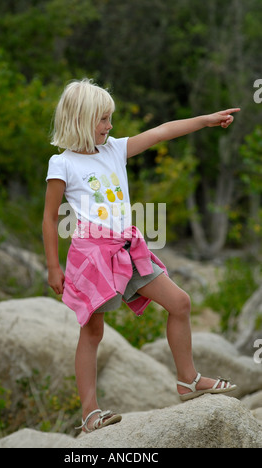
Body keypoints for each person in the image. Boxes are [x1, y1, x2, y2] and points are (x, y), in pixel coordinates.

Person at [42, 79, 240, 433]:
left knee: (179, 302)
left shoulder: (114, 149)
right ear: (82, 120)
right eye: (103, 119)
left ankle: (188, 379)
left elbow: (162, 132)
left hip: (129, 249)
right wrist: (53, 266)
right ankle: (90, 412)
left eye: (110, 118)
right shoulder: (62, 164)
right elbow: (49, 218)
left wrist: (205, 120)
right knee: (92, 332)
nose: (110, 126)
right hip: (93, 256)